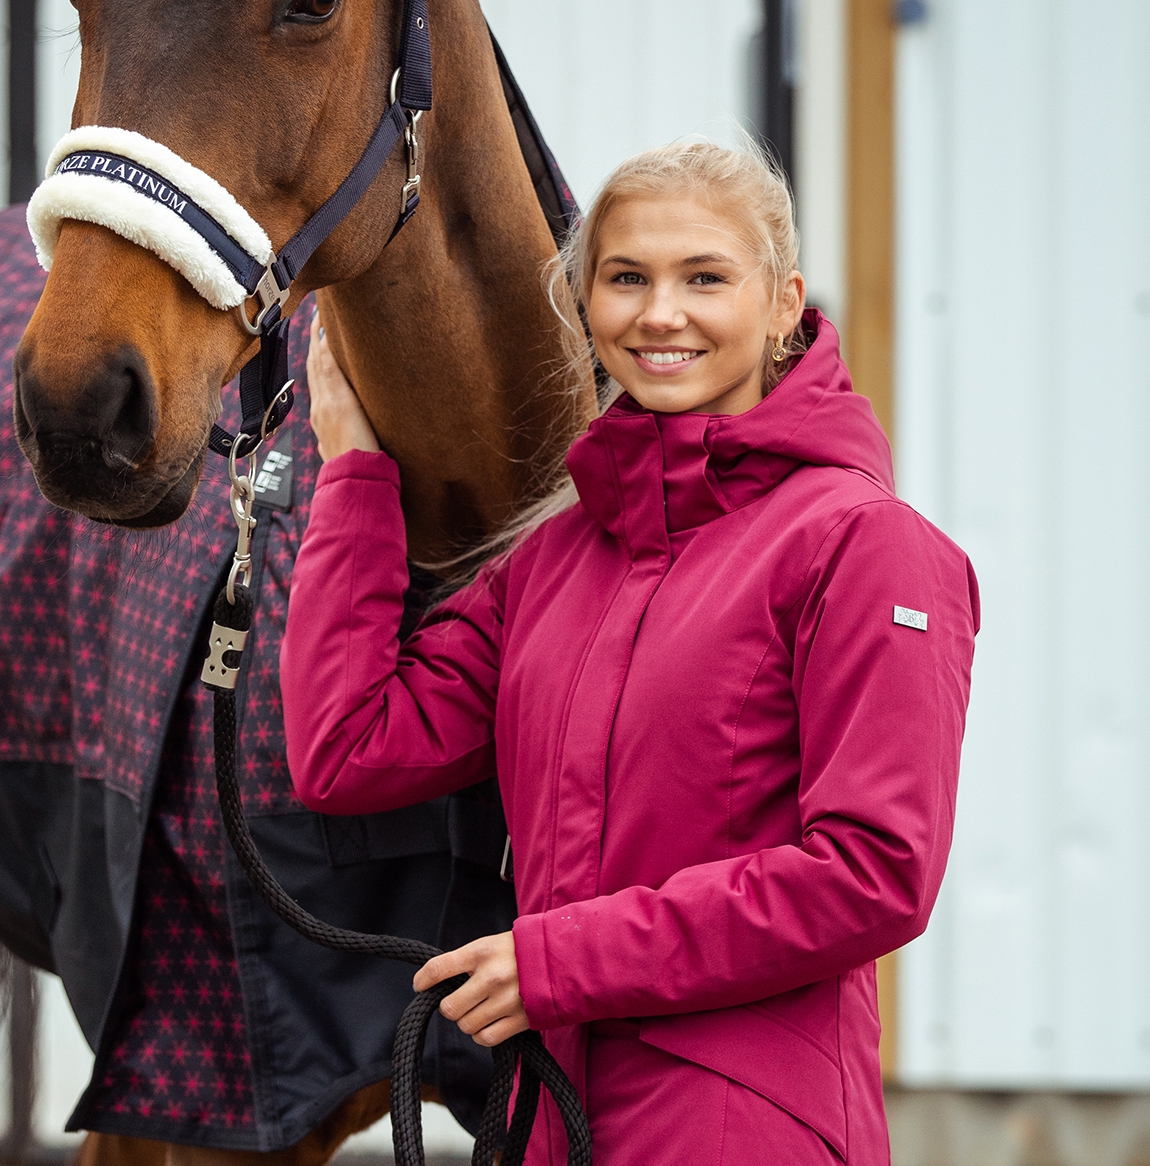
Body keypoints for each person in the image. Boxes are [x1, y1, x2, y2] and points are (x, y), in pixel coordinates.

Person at [281, 139, 978, 1165]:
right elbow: (348, 750)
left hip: (741, 1123)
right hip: (548, 1114)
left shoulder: (866, 547)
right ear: (582, 304)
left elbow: (872, 874)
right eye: (625, 278)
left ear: (783, 303)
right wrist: (353, 479)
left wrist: (558, 959)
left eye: (703, 276)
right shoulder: (554, 559)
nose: (660, 313)